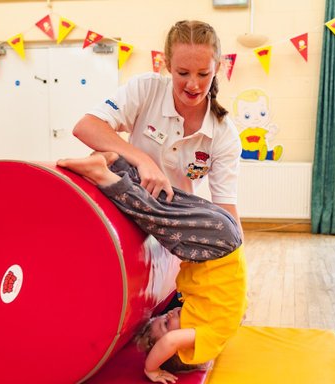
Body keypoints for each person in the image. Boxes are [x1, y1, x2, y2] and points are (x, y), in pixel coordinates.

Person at [57, 153, 247, 384]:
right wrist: (151, 369)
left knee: (166, 199)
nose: (169, 315)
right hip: (213, 247)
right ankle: (103, 174)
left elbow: (241, 308)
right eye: (167, 324)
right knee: (151, 215)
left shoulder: (222, 322)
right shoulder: (208, 340)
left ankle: (118, 165)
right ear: (185, 349)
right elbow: (169, 343)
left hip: (226, 233)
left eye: (163, 319)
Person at [71, 20, 243, 234]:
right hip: (128, 203)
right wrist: (143, 161)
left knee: (225, 228)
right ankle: (108, 168)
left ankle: (106, 171)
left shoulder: (223, 134)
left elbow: (226, 206)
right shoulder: (147, 89)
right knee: (114, 159)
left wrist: (236, 256)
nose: (193, 84)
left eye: (203, 74)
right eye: (182, 73)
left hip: (171, 213)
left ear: (217, 68)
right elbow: (85, 126)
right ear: (168, 65)